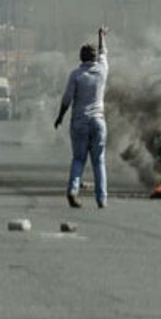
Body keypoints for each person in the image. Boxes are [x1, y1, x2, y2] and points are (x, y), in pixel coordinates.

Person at [54, 27, 109, 208]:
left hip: (79, 122)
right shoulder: (102, 70)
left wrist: (60, 116)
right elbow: (103, 52)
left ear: (81, 57)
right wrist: (101, 36)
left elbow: (67, 98)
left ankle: (73, 190)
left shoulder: (76, 75)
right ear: (94, 58)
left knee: (78, 159)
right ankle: (101, 199)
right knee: (98, 161)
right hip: (98, 122)